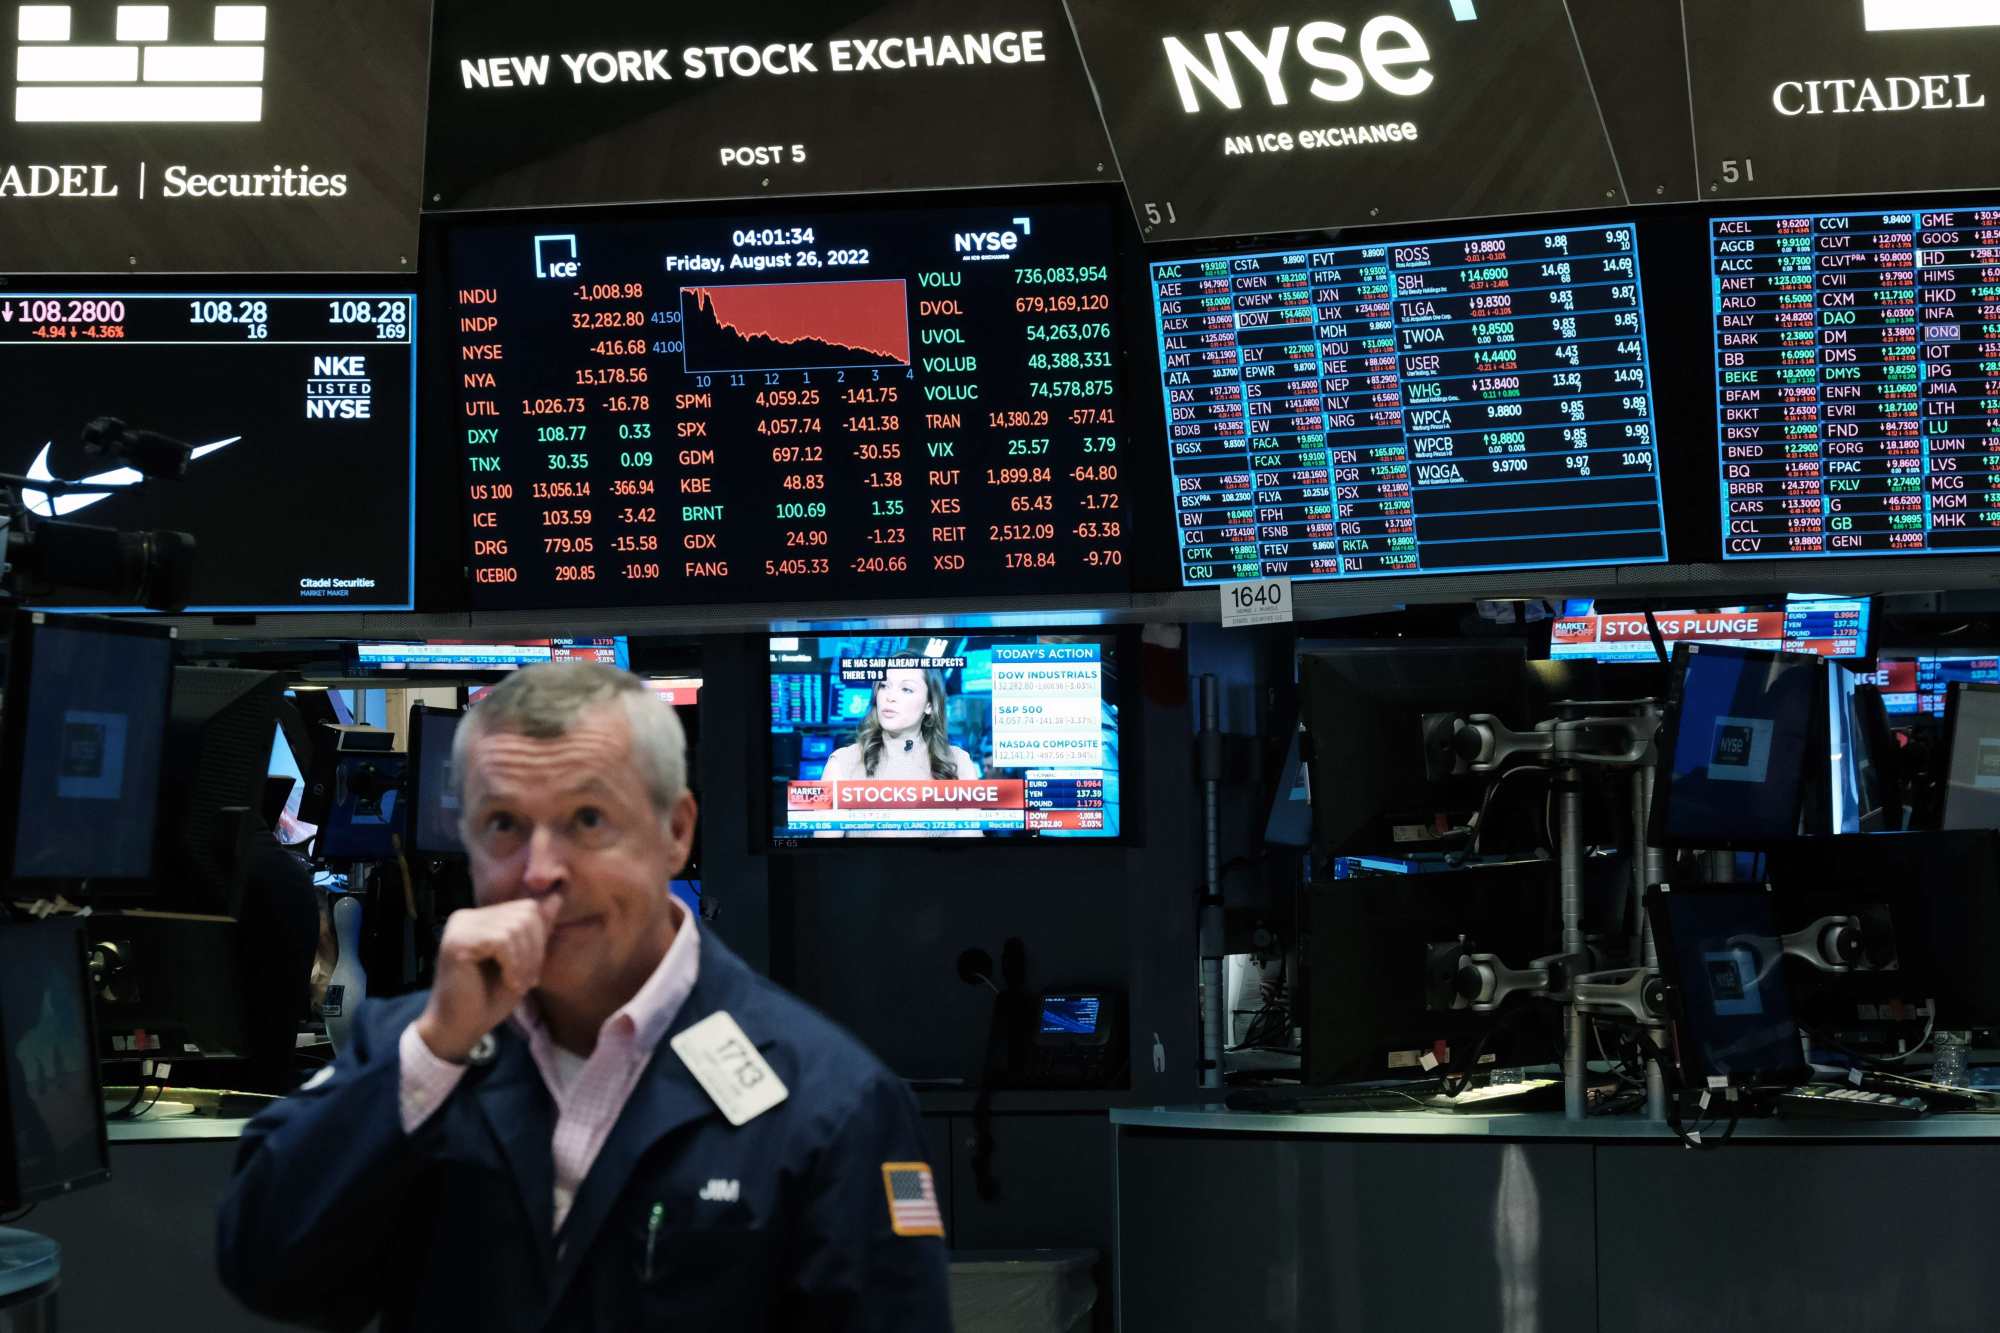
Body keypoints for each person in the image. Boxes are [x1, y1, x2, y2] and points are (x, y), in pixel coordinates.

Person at [217, 663, 952, 1331]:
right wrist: (435, 1049)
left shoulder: (832, 1099)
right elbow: (267, 1269)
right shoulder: (413, 1049)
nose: (542, 871)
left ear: (675, 831)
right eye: (504, 824)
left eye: (589, 821)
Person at [820, 666, 979, 783]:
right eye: (884, 686)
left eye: (906, 689)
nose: (890, 697)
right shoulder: (843, 762)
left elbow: (968, 829)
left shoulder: (958, 762)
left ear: (929, 705)